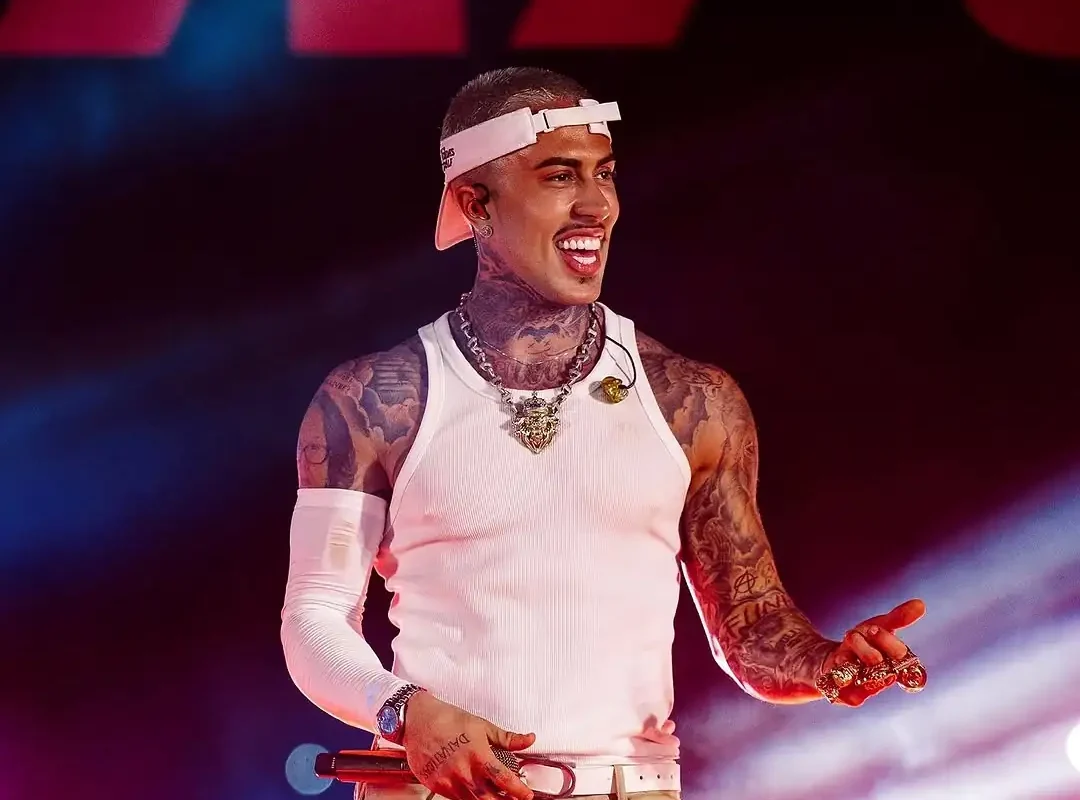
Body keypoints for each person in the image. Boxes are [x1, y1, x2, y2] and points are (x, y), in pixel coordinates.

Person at [280, 67, 927, 800]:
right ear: (475, 203)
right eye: (560, 176)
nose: (596, 205)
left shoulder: (692, 402)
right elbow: (314, 618)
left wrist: (828, 665)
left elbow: (751, 628)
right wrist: (402, 710)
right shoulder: (374, 401)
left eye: (605, 174)